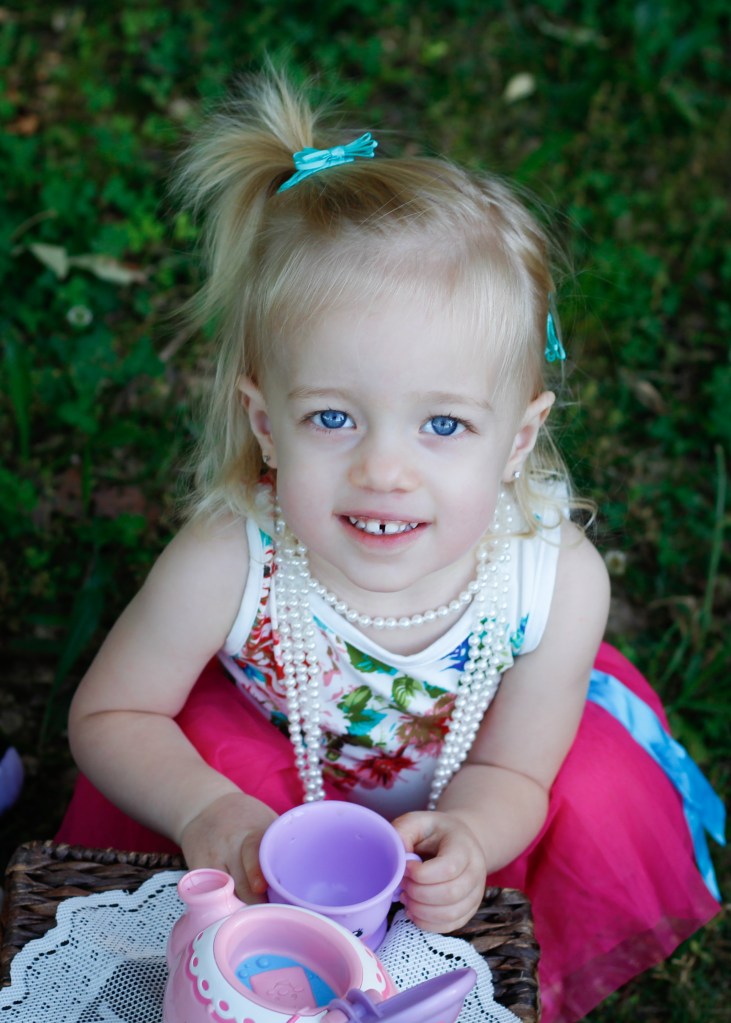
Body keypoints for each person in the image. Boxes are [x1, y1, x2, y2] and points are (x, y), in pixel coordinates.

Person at [57, 71, 724, 1022]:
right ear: (265, 424)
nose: (383, 470)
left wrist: (474, 836)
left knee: (592, 784)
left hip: (468, 768)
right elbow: (113, 712)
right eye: (332, 417)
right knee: (200, 759)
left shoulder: (556, 580)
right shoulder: (229, 556)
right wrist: (205, 808)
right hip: (270, 778)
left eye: (443, 426)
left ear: (517, 440)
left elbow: (516, 770)